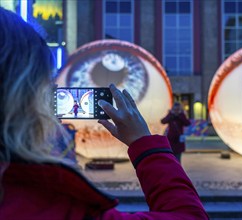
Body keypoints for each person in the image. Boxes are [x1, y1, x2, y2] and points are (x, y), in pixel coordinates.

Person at [0, 7, 208, 220]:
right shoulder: (59, 208)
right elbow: (189, 216)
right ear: (26, 100)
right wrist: (144, 143)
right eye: (48, 85)